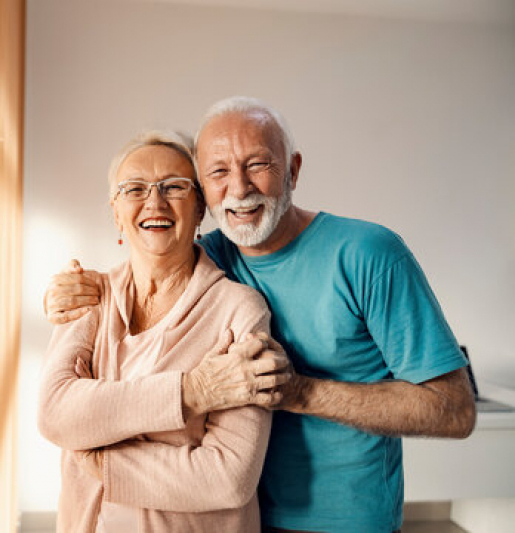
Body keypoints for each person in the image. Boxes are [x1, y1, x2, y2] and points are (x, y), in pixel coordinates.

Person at [44, 97, 477, 533]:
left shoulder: (369, 254)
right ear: (205, 195)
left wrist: (298, 392)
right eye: (218, 172)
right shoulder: (212, 254)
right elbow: (151, 256)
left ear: (292, 170)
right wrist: (70, 292)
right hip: (239, 519)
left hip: (343, 521)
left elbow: (454, 410)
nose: (239, 188)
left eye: (258, 165)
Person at [38, 130, 289, 533]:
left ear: (199, 208)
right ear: (116, 212)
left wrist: (101, 460)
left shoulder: (239, 309)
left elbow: (228, 478)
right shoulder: (87, 295)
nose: (154, 202)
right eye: (134, 188)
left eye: (174, 186)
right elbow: (55, 415)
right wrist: (193, 392)